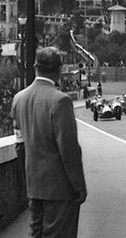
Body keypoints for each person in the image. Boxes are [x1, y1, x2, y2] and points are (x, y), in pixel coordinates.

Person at [11, 46, 87, 238]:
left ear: (36, 67)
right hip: (60, 190)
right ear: (59, 70)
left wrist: (30, 178)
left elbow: (20, 145)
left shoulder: (19, 99)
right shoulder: (60, 101)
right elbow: (68, 150)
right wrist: (79, 186)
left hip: (34, 187)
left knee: (36, 234)